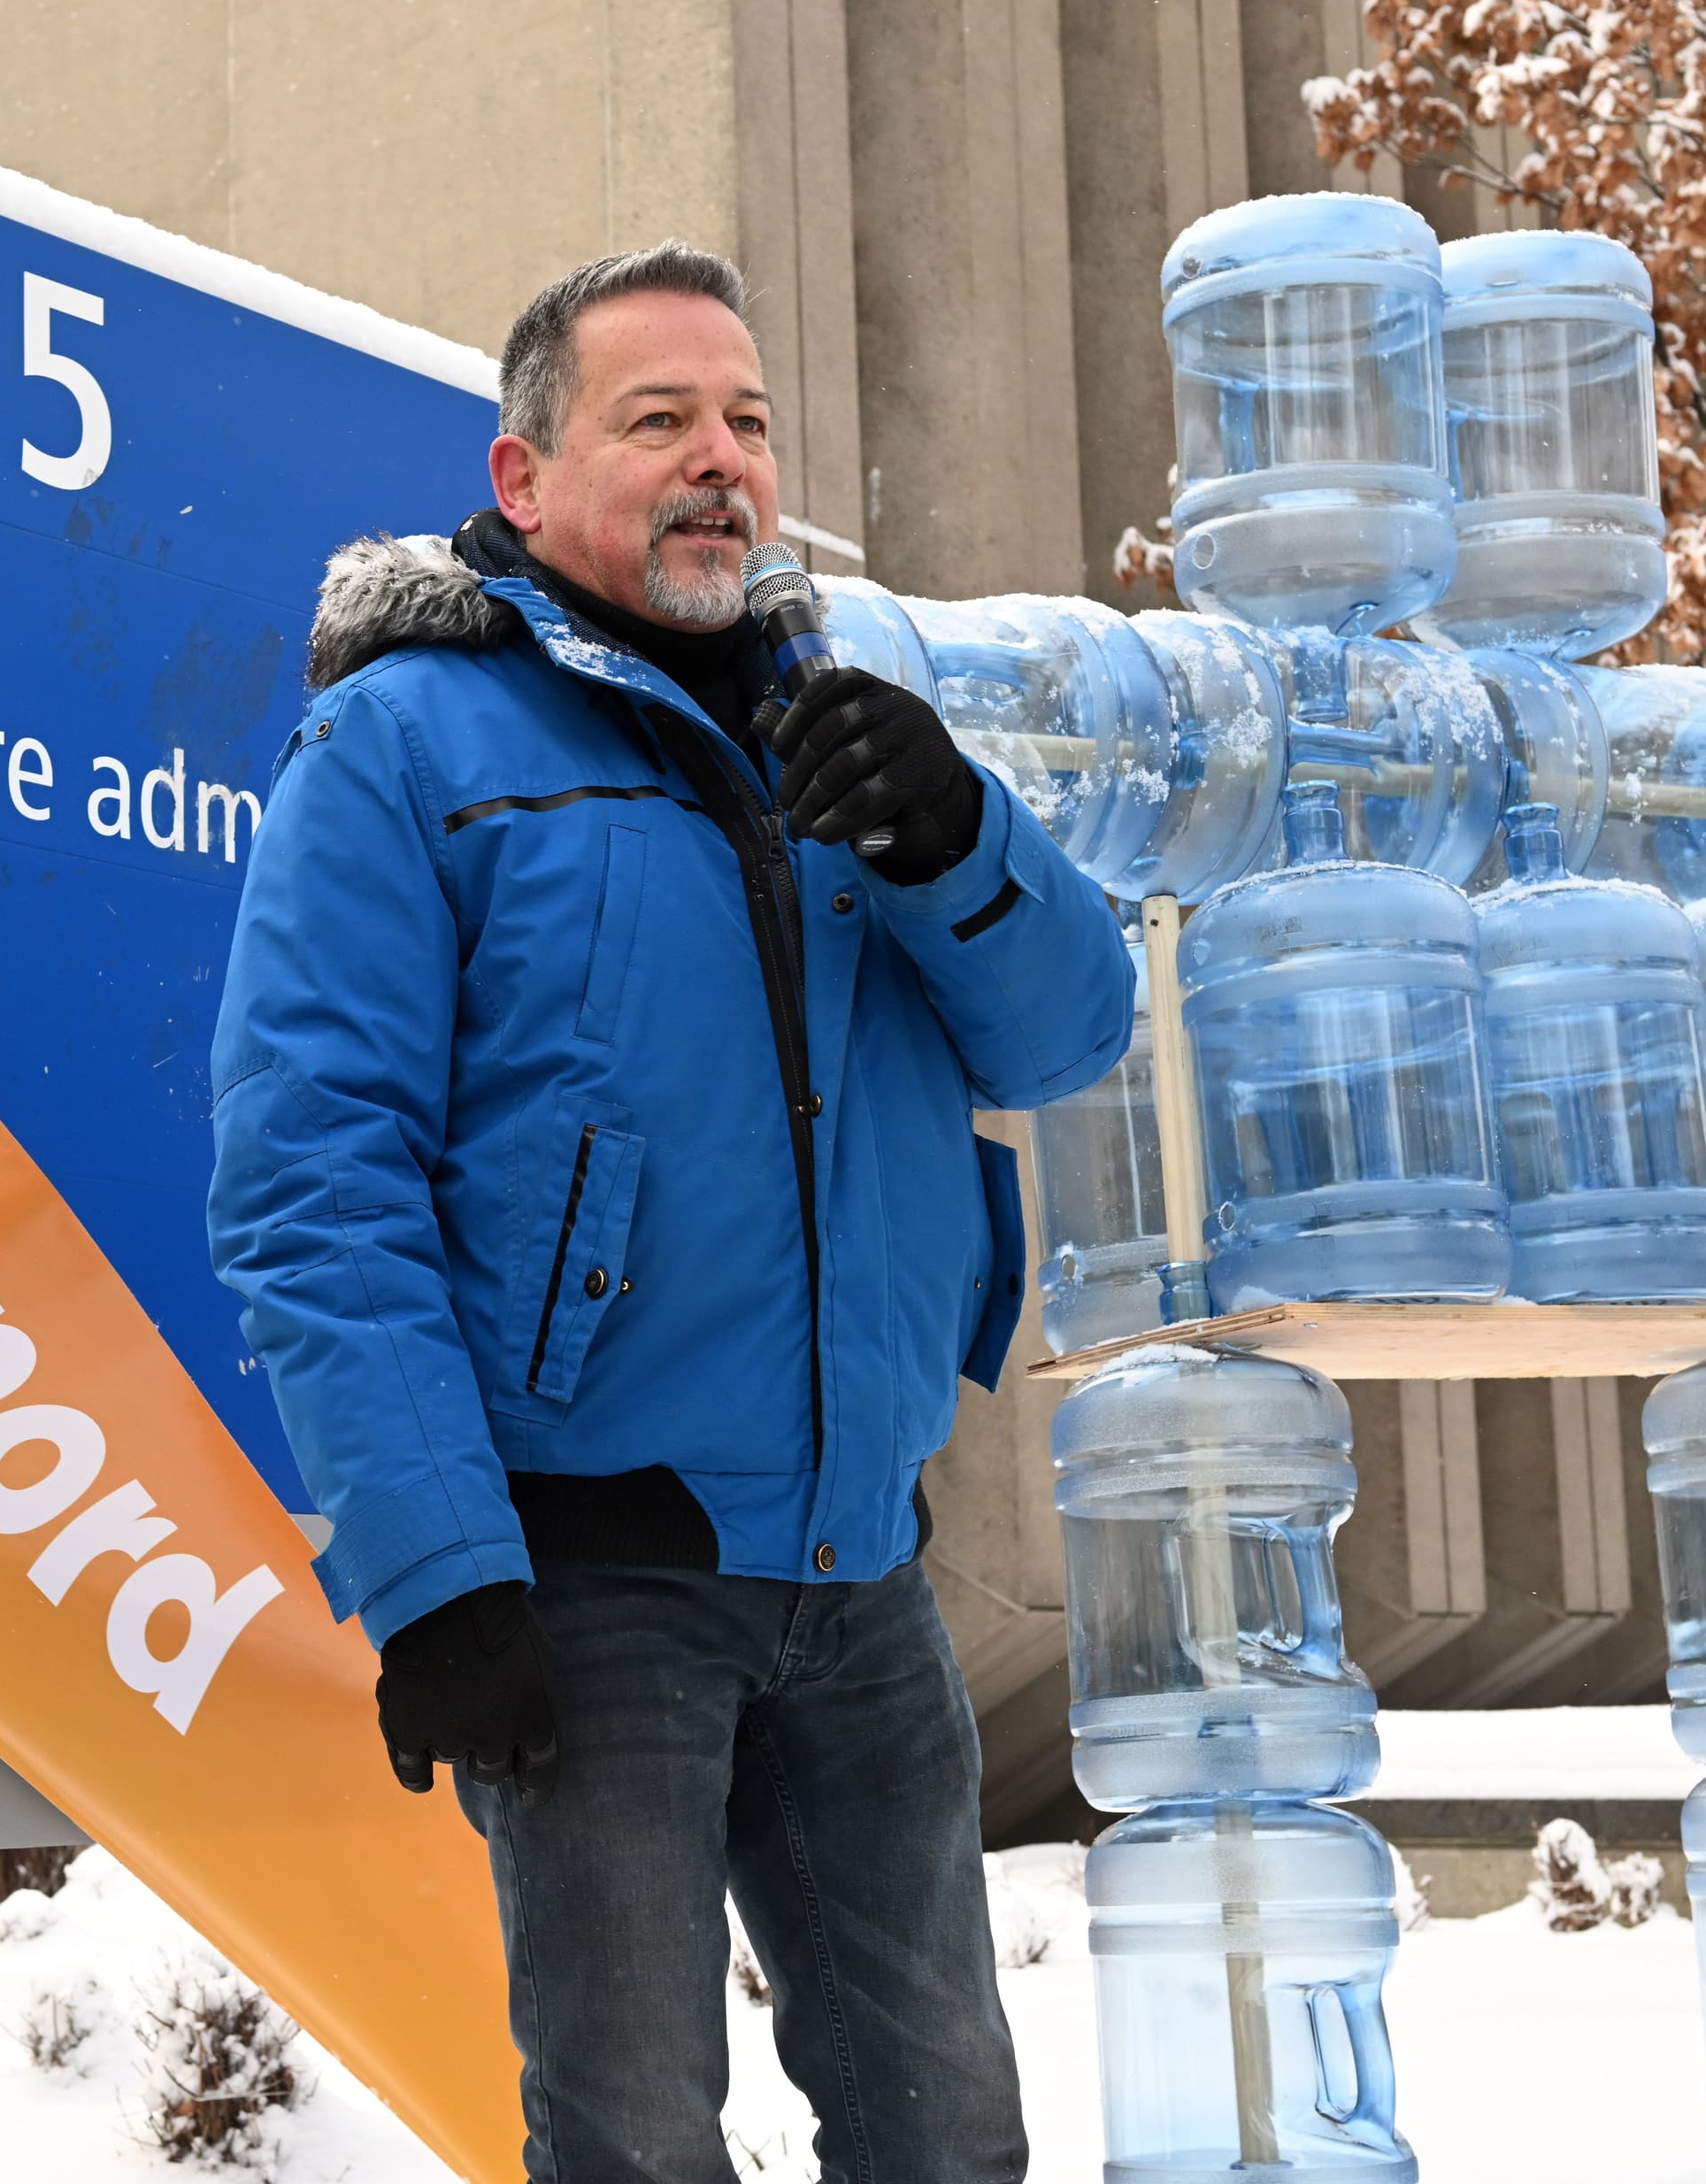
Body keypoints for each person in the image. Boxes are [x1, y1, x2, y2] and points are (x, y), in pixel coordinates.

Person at [207, 241, 1133, 2181]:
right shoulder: (402, 749)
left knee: (949, 2136)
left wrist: (961, 834)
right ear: (526, 479)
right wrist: (442, 1569)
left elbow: (1067, 1033)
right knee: (634, 2141)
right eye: (661, 420)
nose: (723, 458)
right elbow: (315, 1182)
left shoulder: (856, 737)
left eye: (749, 421)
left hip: (860, 1566)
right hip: (589, 1581)